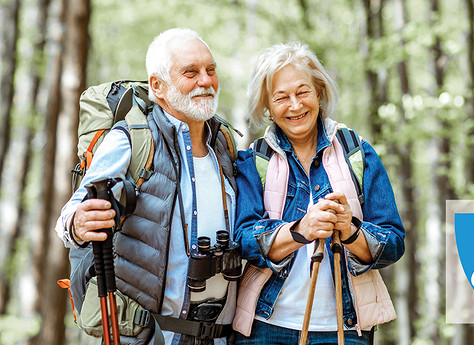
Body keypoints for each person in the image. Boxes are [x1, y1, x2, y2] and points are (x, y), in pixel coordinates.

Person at [55, 28, 238, 345]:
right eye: (190, 73)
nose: (206, 81)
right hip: (153, 336)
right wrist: (77, 222)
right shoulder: (132, 139)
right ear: (158, 86)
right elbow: (71, 215)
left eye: (210, 70)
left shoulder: (225, 144)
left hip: (220, 338)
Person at [232, 42, 406, 345]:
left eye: (302, 92)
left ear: (320, 94)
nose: (295, 105)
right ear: (268, 108)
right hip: (267, 327)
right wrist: (301, 230)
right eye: (281, 97)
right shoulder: (254, 160)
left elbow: (393, 243)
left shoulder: (358, 153)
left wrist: (350, 230)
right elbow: (244, 240)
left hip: (345, 328)